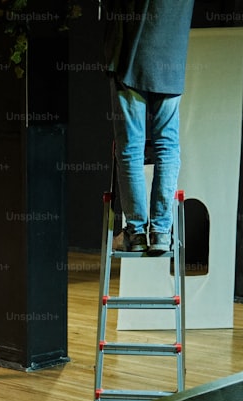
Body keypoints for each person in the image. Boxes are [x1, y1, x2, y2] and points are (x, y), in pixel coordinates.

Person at [103, 0, 195, 253]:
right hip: (170, 59)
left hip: (131, 58)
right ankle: (161, 233)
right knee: (167, 146)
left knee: (131, 147)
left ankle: (136, 231)